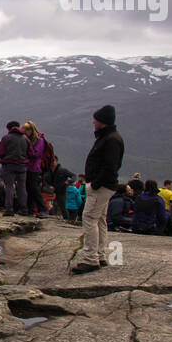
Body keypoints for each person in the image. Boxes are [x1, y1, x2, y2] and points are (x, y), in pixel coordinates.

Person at [72, 105, 124, 275]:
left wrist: (95, 183)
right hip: (105, 185)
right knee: (100, 220)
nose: (93, 122)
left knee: (89, 219)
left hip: (101, 186)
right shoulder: (111, 138)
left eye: (95, 119)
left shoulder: (110, 140)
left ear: (103, 121)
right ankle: (100, 255)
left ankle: (90, 259)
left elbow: (111, 166)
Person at [0, 121, 30, 215]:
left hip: (9, 166)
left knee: (9, 186)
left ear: (8, 128)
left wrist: (6, 156)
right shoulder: (25, 138)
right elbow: (31, 153)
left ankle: (9, 209)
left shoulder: (6, 138)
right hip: (22, 166)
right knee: (22, 187)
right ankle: (24, 209)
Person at [21, 121, 51, 217]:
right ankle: (31, 209)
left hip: (34, 168)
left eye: (26, 130)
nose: (25, 132)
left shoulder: (39, 140)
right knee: (29, 188)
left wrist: (25, 152)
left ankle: (43, 209)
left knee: (34, 188)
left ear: (31, 130)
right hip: (27, 167)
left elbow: (36, 154)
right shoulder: (28, 139)